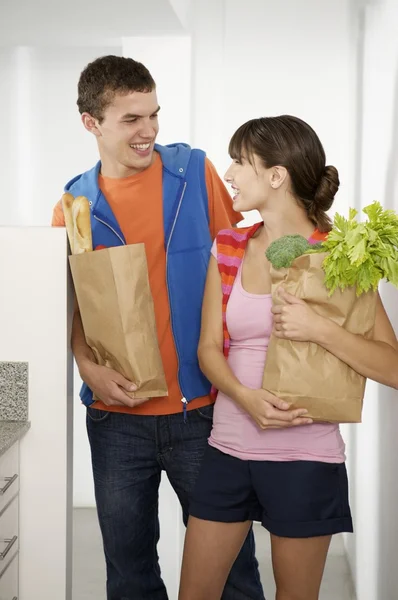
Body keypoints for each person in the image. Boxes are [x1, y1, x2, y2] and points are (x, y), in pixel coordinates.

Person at [52, 56, 309, 600]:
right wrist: (86, 364)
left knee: (235, 573)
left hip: (206, 411)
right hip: (116, 419)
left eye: (154, 115)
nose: (148, 131)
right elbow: (70, 304)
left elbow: (243, 261)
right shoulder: (74, 205)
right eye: (130, 120)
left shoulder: (195, 173)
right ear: (90, 123)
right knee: (129, 574)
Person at [178, 115, 398, 600]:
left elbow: (392, 366)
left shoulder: (342, 256)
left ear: (276, 175)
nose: (230, 173)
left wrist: (319, 328)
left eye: (240, 162)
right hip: (228, 450)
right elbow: (208, 349)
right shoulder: (230, 246)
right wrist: (244, 397)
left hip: (305, 458)